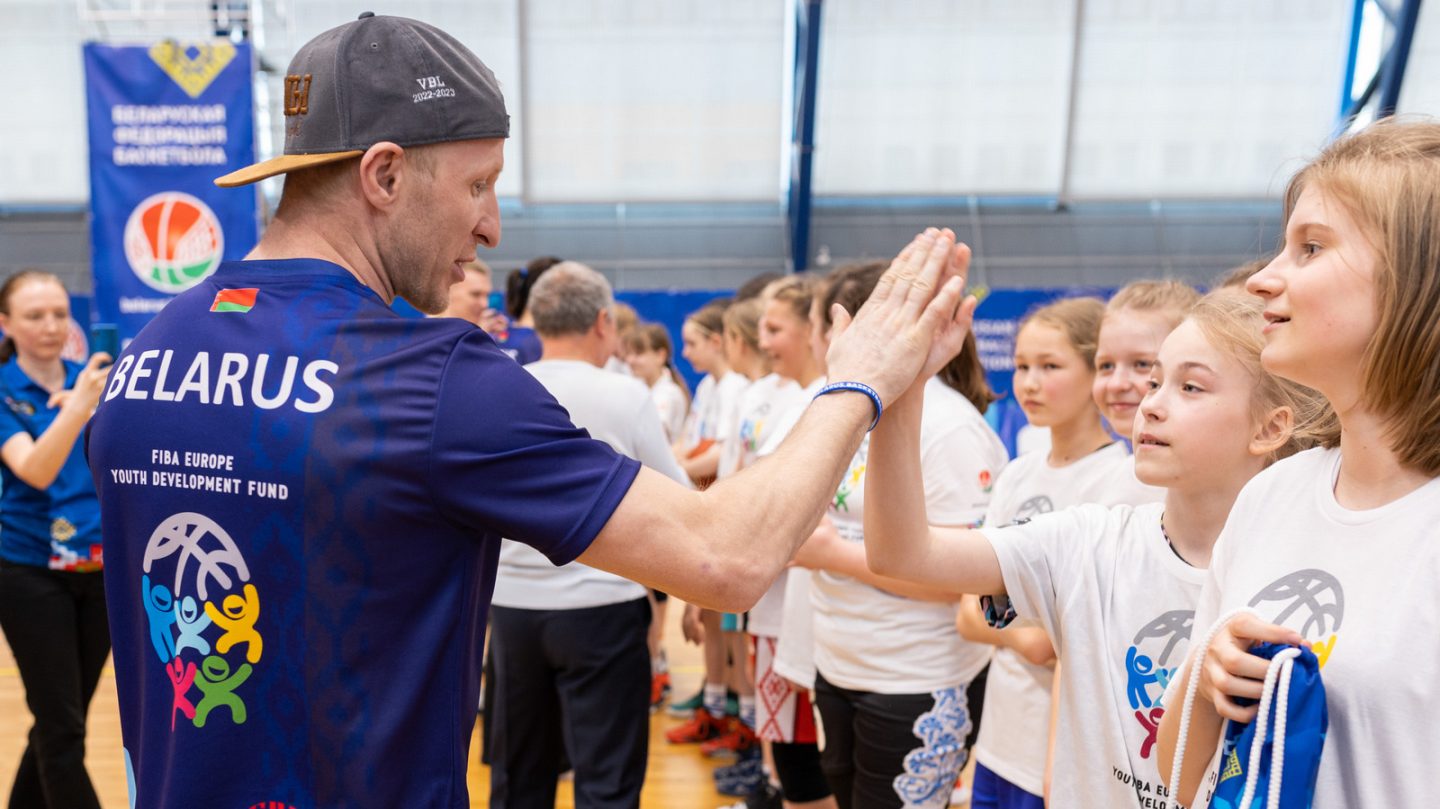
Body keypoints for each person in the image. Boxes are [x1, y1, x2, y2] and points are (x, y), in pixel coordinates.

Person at [87, 14, 973, 807]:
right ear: (384, 174)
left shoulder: (150, 349)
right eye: (478, 184)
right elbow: (726, 556)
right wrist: (858, 380)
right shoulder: (426, 376)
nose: (492, 227)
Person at [859, 289, 1324, 808]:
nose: (1150, 404)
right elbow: (902, 552)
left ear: (1270, 427)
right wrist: (901, 391)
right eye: (1156, 383)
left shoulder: (1298, 576)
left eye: (1189, 386)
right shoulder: (1086, 542)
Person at [1158, 120, 1440, 808]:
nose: (1260, 280)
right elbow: (1180, 773)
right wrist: (1208, 672)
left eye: (1310, 247)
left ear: (1418, 277)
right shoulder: (1272, 496)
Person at [791, 262, 1007, 809]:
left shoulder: (950, 427)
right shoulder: (840, 407)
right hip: (839, 660)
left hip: (914, 674)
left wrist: (834, 555)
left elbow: (961, 581)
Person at [487, 262, 691, 808]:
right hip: (604, 606)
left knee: (517, 774)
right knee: (607, 780)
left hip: (512, 609)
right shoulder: (626, 395)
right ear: (604, 321)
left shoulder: (501, 386)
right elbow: (677, 498)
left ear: (536, 321)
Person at [952, 296, 1163, 809]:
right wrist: (1027, 637)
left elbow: (1069, 638)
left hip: (1063, 754)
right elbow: (966, 613)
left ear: (1093, 373)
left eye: (1049, 367)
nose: (1028, 382)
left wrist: (1016, 627)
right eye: (1022, 366)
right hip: (999, 741)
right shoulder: (1017, 473)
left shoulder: (1127, 482)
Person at [0, 271, 113, 808]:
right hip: (28, 573)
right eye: (34, 316)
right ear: (6, 324)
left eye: (59, 314)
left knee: (59, 722)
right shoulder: (4, 392)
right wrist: (76, 410)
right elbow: (36, 469)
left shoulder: (91, 380)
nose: (51, 327)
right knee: (61, 729)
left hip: (101, 572)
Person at [624, 322, 689, 443]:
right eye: (628, 353)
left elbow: (651, 438)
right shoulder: (641, 389)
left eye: (638, 354)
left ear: (660, 355)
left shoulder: (668, 393)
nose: (630, 360)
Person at [435, 257, 508, 333]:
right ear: (448, 291)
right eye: (475, 294)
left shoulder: (485, 334)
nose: (485, 304)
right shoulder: (429, 335)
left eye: (487, 295)